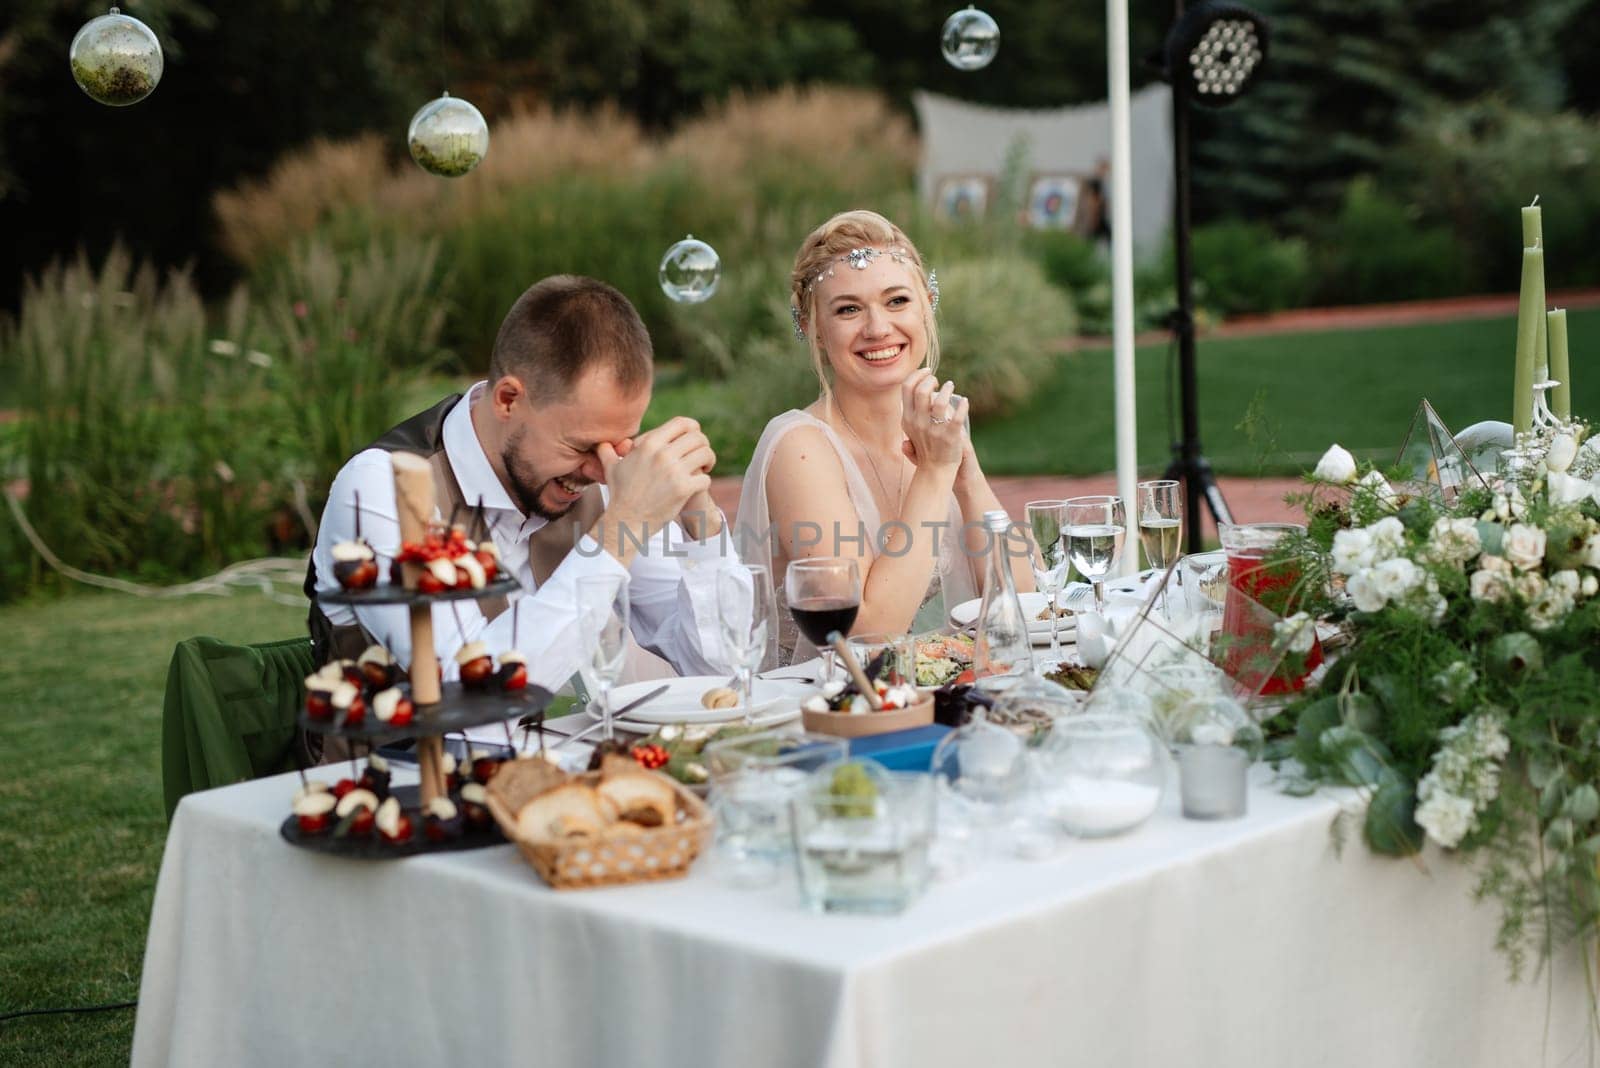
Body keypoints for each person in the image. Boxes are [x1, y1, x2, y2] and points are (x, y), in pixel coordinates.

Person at [307, 274, 743, 693]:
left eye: (619, 443)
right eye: (580, 447)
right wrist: (619, 530)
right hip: (398, 769)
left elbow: (720, 667)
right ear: (508, 400)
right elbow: (475, 694)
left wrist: (700, 520)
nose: (601, 470)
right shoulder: (384, 488)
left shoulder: (603, 469)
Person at [737, 210, 1031, 662]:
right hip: (829, 713)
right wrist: (934, 472)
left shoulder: (936, 429)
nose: (878, 328)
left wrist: (965, 476)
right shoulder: (800, 447)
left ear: (927, 304)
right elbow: (866, 633)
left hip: (931, 697)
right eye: (848, 309)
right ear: (814, 330)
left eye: (897, 301)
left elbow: (1027, 603)